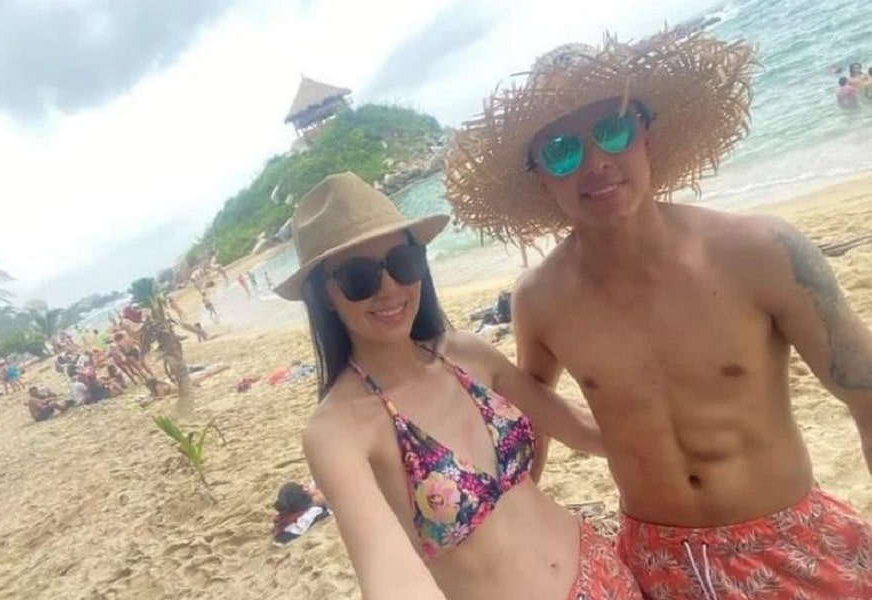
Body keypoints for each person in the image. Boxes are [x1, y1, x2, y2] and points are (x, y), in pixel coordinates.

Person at [446, 31, 872, 598]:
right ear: (542, 176)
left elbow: (865, 395)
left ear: (646, 135)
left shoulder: (762, 252)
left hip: (788, 542)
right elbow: (532, 424)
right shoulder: (540, 300)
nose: (596, 162)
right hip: (654, 565)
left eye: (613, 130)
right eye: (563, 151)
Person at [273, 172, 641, 600]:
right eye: (359, 277)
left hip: (603, 571)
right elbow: (388, 571)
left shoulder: (467, 354)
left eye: (403, 262)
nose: (390, 287)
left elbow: (583, 429)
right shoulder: (337, 431)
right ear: (324, 296)